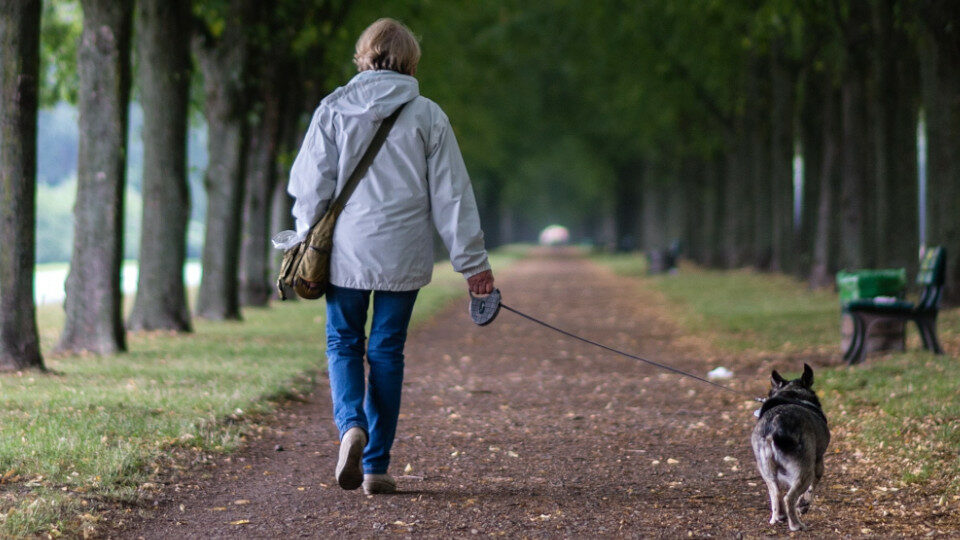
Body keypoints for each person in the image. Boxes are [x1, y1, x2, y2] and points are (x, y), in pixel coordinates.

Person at [287, 18, 494, 495]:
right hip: (404, 253)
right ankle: (377, 465)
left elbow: (310, 185)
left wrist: (304, 236)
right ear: (411, 60)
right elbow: (452, 196)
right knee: (386, 351)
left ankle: (351, 426)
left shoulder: (334, 108)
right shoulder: (428, 115)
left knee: (343, 343)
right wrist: (473, 263)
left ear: (364, 55)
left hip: (346, 251)